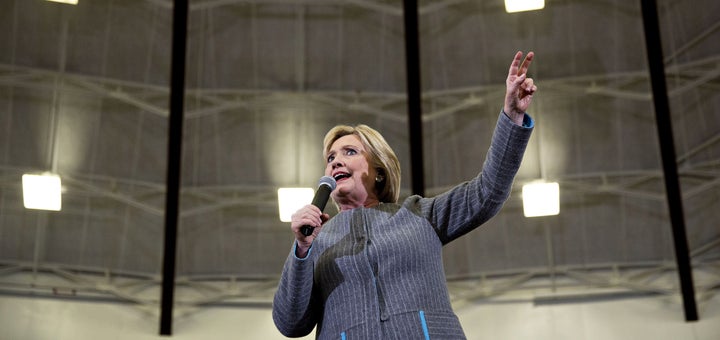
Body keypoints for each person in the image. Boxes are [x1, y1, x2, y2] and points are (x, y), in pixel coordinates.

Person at [273, 51, 537, 339]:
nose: (335, 161)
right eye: (330, 157)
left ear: (379, 170)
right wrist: (301, 251)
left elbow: (488, 191)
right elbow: (291, 323)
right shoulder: (316, 241)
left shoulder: (418, 214)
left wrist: (512, 117)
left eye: (349, 152)